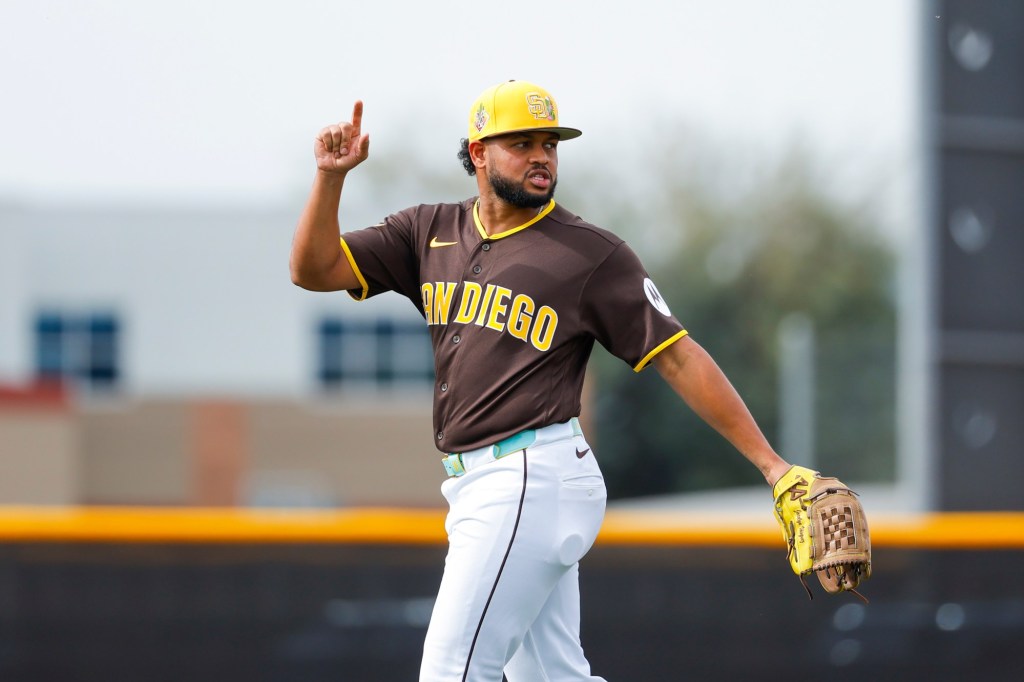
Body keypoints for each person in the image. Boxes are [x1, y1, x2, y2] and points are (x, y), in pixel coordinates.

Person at [290, 80, 792, 682]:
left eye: (550, 144)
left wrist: (773, 466)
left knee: (452, 670)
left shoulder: (589, 254)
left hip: (529, 474)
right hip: (490, 483)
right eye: (522, 143)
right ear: (478, 153)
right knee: (552, 677)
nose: (541, 157)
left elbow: (677, 356)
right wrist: (330, 178)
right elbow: (313, 270)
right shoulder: (428, 231)